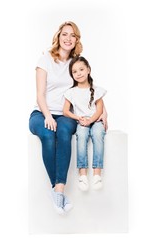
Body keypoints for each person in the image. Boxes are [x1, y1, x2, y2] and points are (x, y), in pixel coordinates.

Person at [29, 21, 108, 215]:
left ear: (76, 40)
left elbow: (90, 87)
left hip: (65, 113)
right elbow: (40, 95)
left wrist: (103, 112)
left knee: (63, 132)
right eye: (65, 34)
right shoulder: (45, 59)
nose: (68, 38)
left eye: (73, 35)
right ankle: (58, 191)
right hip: (42, 112)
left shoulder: (76, 62)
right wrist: (47, 115)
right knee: (48, 134)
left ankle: (58, 192)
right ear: (58, 36)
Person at [63, 56, 106, 191]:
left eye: (81, 69)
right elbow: (65, 111)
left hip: (95, 120)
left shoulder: (96, 89)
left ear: (88, 70)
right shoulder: (71, 92)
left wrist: (91, 120)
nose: (79, 73)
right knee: (81, 135)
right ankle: (83, 175)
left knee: (98, 134)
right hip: (81, 122)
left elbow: (99, 109)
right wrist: (79, 118)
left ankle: (97, 174)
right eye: (75, 72)